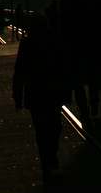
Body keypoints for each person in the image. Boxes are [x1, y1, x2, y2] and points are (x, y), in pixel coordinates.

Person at [12, 10, 71, 180]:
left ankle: (50, 154)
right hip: (42, 93)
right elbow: (20, 71)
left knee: (53, 127)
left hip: (46, 92)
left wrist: (18, 93)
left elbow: (64, 67)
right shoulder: (46, 43)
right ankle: (47, 160)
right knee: (44, 129)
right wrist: (17, 94)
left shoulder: (48, 43)